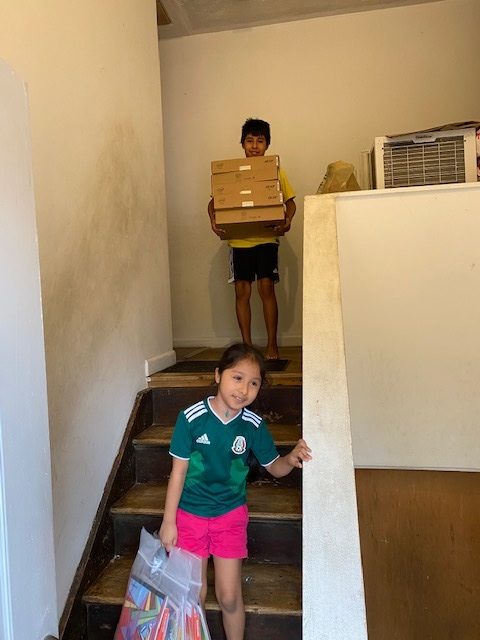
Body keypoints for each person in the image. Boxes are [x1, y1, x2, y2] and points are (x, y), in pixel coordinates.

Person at [159, 343, 311, 640]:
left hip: (230, 516)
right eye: (237, 378)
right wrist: (168, 522)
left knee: (229, 596)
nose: (244, 389)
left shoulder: (253, 425)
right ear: (218, 375)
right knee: (195, 595)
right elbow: (177, 473)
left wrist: (291, 459)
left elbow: (274, 467)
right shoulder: (190, 418)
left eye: (253, 383)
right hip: (190, 515)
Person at [208, 118, 296, 360]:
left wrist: (286, 221)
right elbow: (214, 203)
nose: (254, 146)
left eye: (260, 141)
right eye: (249, 141)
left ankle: (272, 346)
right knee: (242, 291)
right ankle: (246, 348)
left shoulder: (275, 170)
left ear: (267, 145)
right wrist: (214, 222)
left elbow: (290, 203)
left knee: (266, 288)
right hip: (239, 242)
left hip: (266, 239)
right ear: (242, 144)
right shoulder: (231, 172)